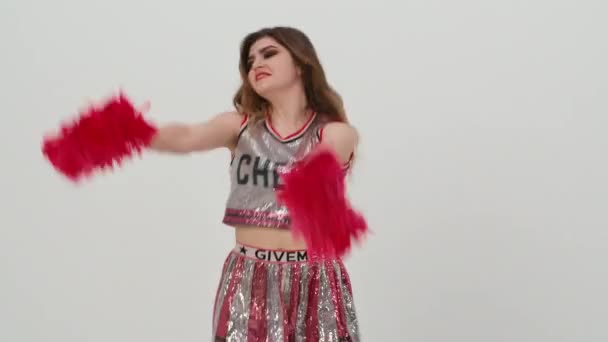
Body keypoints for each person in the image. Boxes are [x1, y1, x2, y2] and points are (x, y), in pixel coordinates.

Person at [44, 26, 364, 341]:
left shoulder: (334, 131)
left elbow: (325, 159)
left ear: (300, 63)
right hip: (250, 277)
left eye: (269, 53)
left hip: (314, 279)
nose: (257, 64)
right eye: (250, 61)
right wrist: (126, 129)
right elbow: (186, 137)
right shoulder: (239, 127)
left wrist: (316, 189)